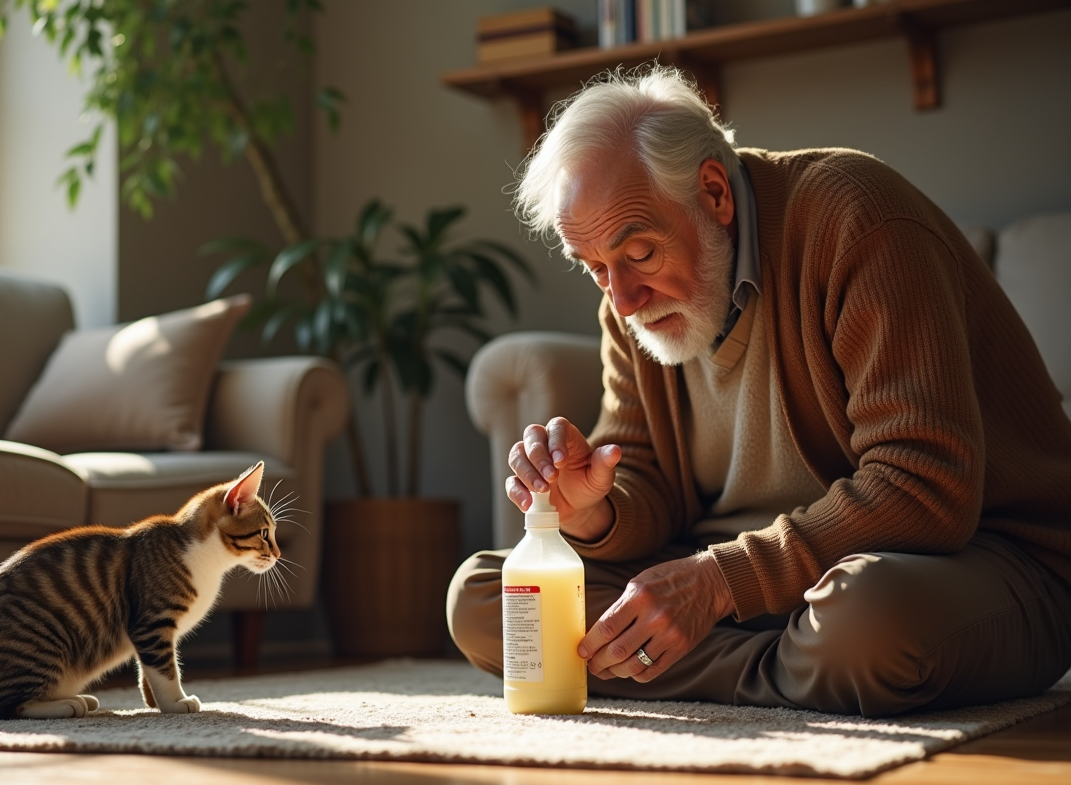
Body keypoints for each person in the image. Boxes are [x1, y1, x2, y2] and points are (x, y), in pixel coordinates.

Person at [445, 65, 1071, 717]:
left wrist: (718, 583)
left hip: (982, 563)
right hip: (758, 586)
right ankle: (800, 671)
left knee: (870, 621)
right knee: (490, 596)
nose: (623, 300)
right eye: (595, 268)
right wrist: (592, 510)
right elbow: (647, 478)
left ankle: (767, 662)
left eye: (641, 254)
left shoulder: (857, 218)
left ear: (714, 193)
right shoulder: (626, 302)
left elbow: (925, 487)